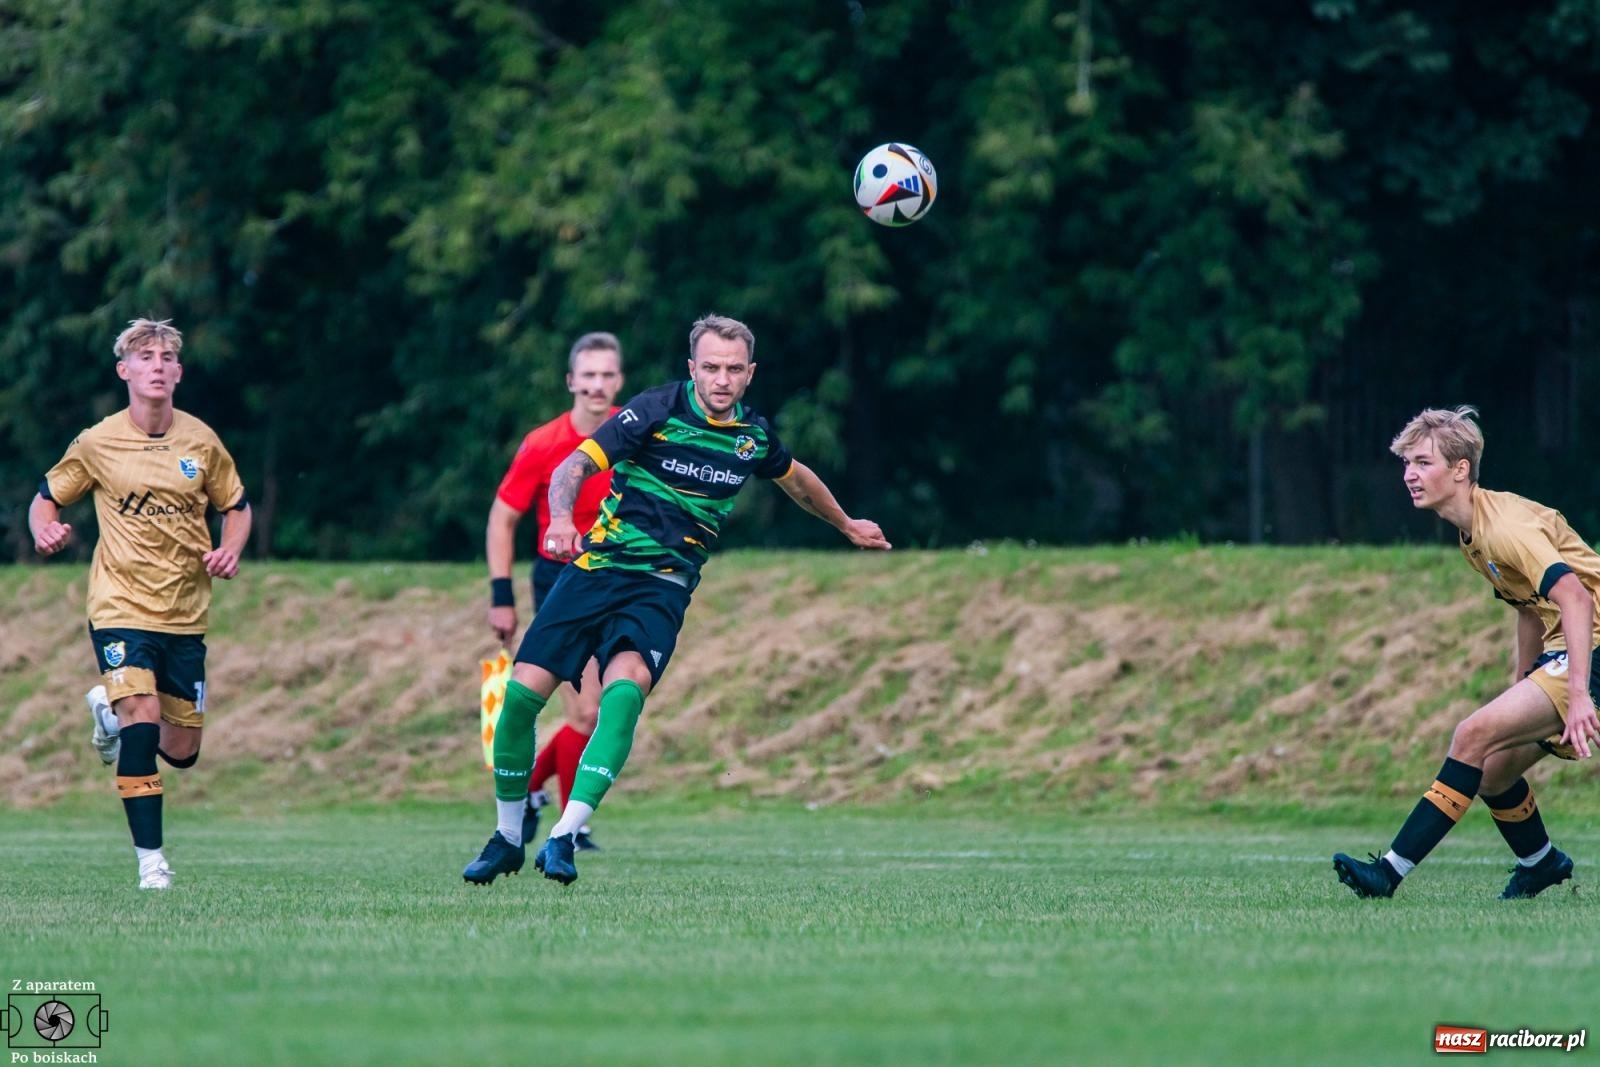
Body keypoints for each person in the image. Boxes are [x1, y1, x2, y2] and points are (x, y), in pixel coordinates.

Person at [463, 313, 891, 886]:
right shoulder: (654, 410)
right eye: (711, 367)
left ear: (750, 373)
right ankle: (508, 836)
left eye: (733, 369)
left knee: (625, 689)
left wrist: (845, 524)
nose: (721, 379)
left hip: (661, 587)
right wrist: (562, 518)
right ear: (692, 368)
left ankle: (565, 835)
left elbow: (797, 478)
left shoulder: (751, 438)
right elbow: (576, 464)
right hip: (597, 569)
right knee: (519, 699)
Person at [1334, 405, 1597, 900]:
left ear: (1460, 470)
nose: (1410, 474)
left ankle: (1387, 875)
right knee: (1494, 772)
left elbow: (1576, 599)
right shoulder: (1471, 533)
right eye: (1406, 463)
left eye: (1423, 463)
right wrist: (1526, 680)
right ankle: (1540, 863)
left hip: (1594, 644)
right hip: (1571, 647)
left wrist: (1578, 693)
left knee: (1471, 735)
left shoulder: (1504, 528)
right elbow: (1527, 607)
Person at [29, 318, 251, 890]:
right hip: (119, 606)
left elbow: (238, 505)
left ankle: (106, 710)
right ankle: (152, 864)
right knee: (143, 721)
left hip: (185, 614)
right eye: (144, 356)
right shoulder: (98, 441)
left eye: (165, 357)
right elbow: (45, 499)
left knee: (181, 750)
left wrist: (229, 550)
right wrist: (45, 530)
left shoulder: (201, 441)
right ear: (124, 370)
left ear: (178, 372)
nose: (156, 364)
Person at [486, 331, 625, 851]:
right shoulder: (543, 443)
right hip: (561, 581)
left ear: (619, 381)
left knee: (599, 712)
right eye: (587, 375)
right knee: (586, 714)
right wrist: (502, 595)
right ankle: (566, 820)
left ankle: (537, 799)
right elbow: (502, 519)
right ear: (571, 381)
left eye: (606, 374)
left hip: (622, 577)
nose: (597, 385)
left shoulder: (635, 432)